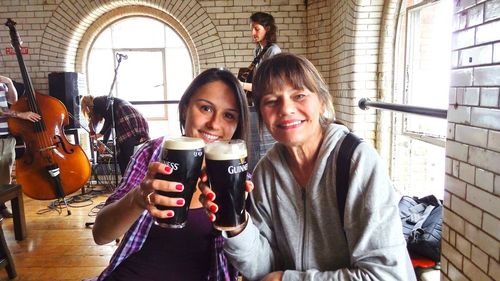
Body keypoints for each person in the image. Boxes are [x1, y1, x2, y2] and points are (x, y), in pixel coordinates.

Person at [199, 54, 416, 280]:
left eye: (299, 95)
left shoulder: (357, 162)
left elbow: (386, 276)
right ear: (261, 113)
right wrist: (238, 226)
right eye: (272, 101)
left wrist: (286, 279)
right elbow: (263, 268)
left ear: (321, 102)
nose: (286, 109)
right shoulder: (266, 173)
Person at [90, 68, 249, 281]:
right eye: (205, 108)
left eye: (229, 115)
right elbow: (101, 234)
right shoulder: (152, 153)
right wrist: (137, 199)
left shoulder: (240, 180)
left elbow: (251, 263)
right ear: (185, 109)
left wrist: (240, 225)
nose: (214, 124)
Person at [240, 12, 281, 171]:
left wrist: (242, 85)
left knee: (267, 148)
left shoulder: (273, 51)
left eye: (257, 29)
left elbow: (268, 86)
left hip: (270, 106)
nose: (253, 33)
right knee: (256, 147)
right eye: (252, 29)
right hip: (259, 105)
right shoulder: (258, 51)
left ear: (267, 29)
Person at [0, 75, 40, 218]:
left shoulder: (2, 82)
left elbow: (13, 101)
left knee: (5, 174)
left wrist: (9, 83)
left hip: (6, 134)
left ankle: (1, 206)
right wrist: (21, 115)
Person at [80, 95, 150, 176]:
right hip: (129, 117)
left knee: (127, 155)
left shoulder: (97, 101)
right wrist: (104, 144)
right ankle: (126, 182)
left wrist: (100, 134)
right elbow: (109, 123)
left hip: (127, 116)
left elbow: (109, 120)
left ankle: (132, 181)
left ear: (86, 106)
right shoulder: (102, 105)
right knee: (121, 156)